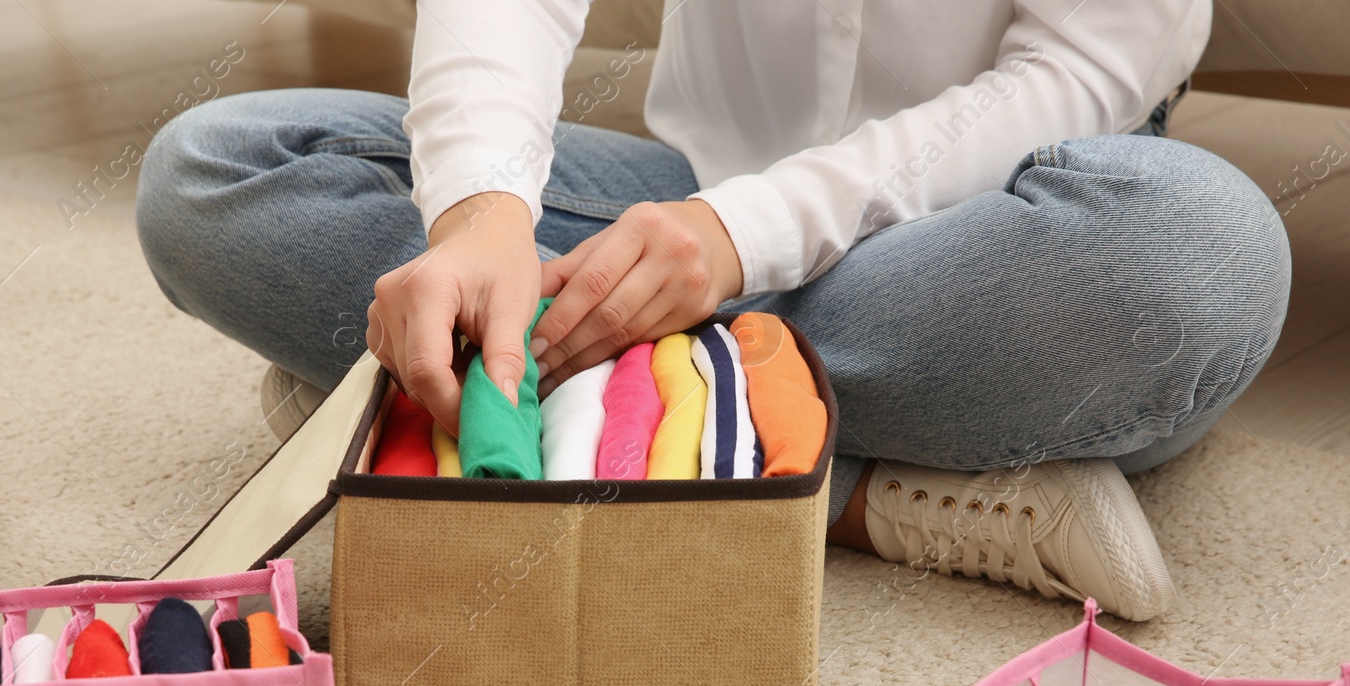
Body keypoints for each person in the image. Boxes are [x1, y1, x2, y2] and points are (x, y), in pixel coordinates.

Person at [135, 0, 1288, 621]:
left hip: (981, 254)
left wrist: (743, 238)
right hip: (680, 205)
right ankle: (860, 487)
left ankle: (511, 399)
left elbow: (1078, 70)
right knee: (216, 170)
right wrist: (479, 217)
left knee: (1201, 252)